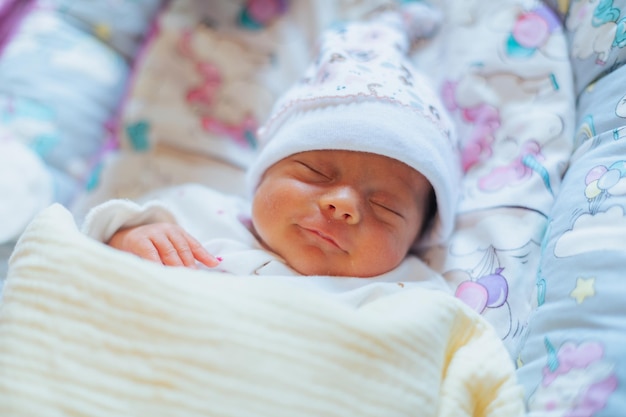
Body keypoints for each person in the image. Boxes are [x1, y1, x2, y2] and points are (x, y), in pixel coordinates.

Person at [81, 4, 461, 298]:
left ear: (419, 237)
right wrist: (129, 240)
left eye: (386, 206)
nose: (343, 203)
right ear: (264, 176)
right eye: (316, 173)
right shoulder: (199, 214)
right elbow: (87, 251)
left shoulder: (406, 291)